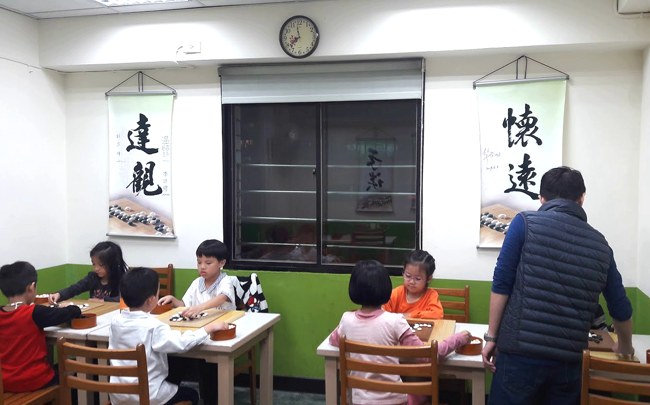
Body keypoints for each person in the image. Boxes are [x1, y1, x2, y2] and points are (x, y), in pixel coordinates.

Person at [482, 166, 634, 405]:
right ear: (581, 198)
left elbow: (502, 283)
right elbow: (620, 306)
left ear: (542, 198)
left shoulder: (524, 223)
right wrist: (625, 345)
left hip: (519, 356)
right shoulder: (601, 245)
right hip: (568, 364)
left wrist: (491, 337)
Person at [329, 260, 471, 405]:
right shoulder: (395, 321)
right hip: (394, 401)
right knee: (422, 394)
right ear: (386, 288)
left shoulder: (346, 319)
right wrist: (459, 338)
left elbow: (333, 340)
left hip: (359, 401)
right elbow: (429, 355)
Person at [108, 267, 227, 405]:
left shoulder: (115, 322)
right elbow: (181, 343)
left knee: (173, 368)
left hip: (118, 395)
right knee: (192, 395)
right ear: (151, 300)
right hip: (149, 396)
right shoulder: (154, 326)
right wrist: (207, 329)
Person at [157, 239, 236, 405]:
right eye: (199, 262)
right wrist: (174, 300)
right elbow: (185, 305)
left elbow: (223, 297)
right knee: (176, 354)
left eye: (208, 263)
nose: (202, 267)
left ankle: (210, 399)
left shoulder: (226, 281)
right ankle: (168, 394)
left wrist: (199, 308)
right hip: (197, 332)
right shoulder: (196, 283)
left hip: (218, 334)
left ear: (222, 263)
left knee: (209, 367)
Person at [0, 261, 82, 393]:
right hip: (34, 380)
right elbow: (73, 312)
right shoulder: (35, 312)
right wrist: (69, 307)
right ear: (31, 287)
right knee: (72, 376)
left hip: (5, 382)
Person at [49, 241, 128, 303]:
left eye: (101, 265)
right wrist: (59, 294)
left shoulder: (123, 279)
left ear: (113, 264)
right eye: (94, 264)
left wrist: (103, 300)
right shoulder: (92, 277)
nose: (96, 268)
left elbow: (125, 299)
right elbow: (75, 288)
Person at [382, 250, 444, 319]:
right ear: (403, 273)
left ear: (428, 279)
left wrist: (411, 315)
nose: (412, 282)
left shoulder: (431, 295)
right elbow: (383, 312)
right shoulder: (396, 293)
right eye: (408, 276)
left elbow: (437, 314)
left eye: (417, 279)